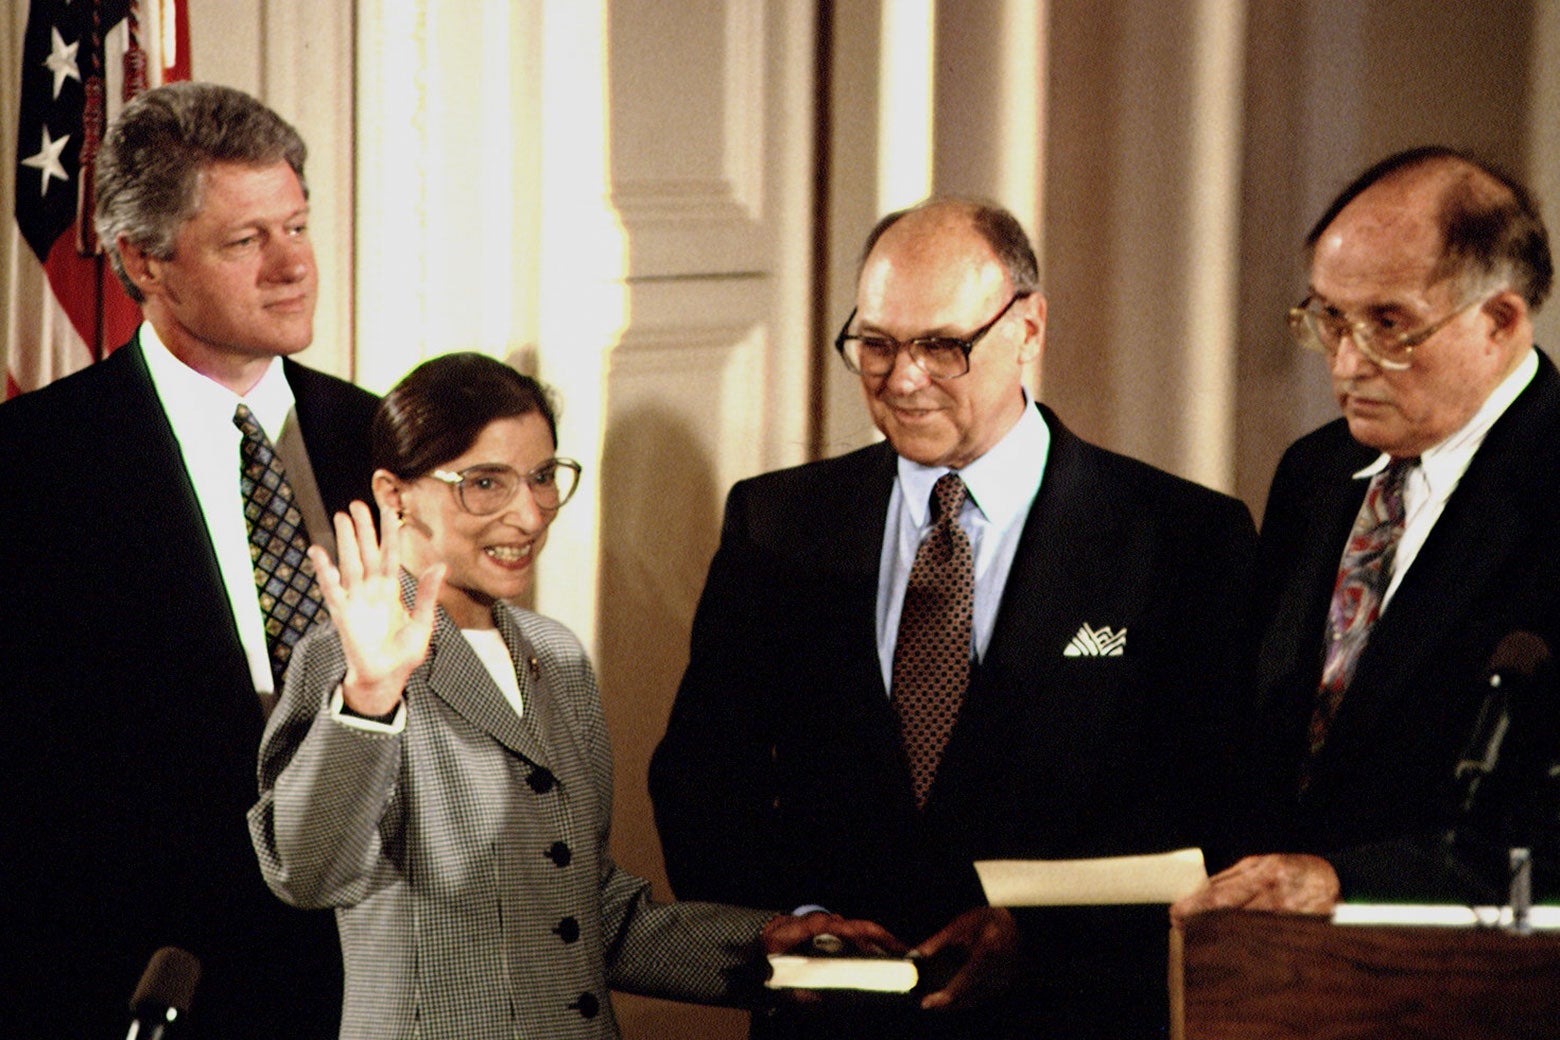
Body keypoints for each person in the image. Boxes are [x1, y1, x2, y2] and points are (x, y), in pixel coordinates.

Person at [649, 197, 1259, 1038]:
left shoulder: (1180, 537)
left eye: (943, 346)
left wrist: (1045, 937)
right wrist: (795, 919)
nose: (903, 379)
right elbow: (703, 775)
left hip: (1066, 1014)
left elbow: (1211, 808)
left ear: (1030, 329)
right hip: (832, 1021)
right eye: (876, 344)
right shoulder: (779, 522)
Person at [248, 353, 894, 1040]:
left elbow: (586, 914)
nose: (528, 515)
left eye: (542, 478)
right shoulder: (345, 660)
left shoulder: (553, 657)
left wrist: (769, 942)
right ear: (395, 493)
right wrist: (369, 699)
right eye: (485, 483)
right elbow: (305, 873)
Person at [0, 83, 376, 1037]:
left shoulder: (380, 437)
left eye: (297, 225)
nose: (295, 267)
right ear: (142, 260)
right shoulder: (33, 467)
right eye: (246, 241)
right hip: (157, 977)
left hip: (387, 967)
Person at [1171, 147, 1560, 926]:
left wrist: (1344, 881)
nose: (1346, 363)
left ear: (1501, 320)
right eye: (1328, 318)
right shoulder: (1315, 474)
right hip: (1279, 975)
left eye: (1389, 325)